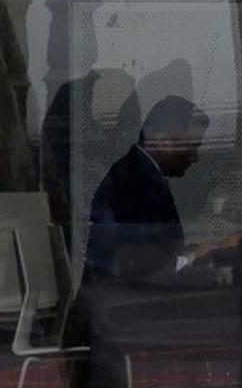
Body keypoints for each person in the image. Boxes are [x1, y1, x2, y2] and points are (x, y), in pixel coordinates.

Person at [85, 98, 233, 286]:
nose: (195, 158)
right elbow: (129, 262)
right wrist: (193, 256)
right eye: (191, 147)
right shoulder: (132, 184)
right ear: (164, 142)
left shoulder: (142, 173)